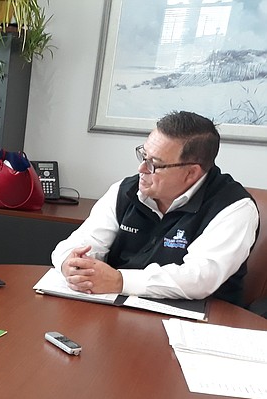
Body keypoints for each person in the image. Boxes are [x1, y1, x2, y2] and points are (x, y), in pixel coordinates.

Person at [51, 111, 259, 306]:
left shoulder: (234, 207)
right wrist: (70, 264)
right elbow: (81, 242)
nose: (141, 169)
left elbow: (199, 278)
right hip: (118, 307)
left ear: (191, 173)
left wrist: (119, 281)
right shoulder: (126, 190)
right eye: (143, 156)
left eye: (154, 164)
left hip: (197, 322)